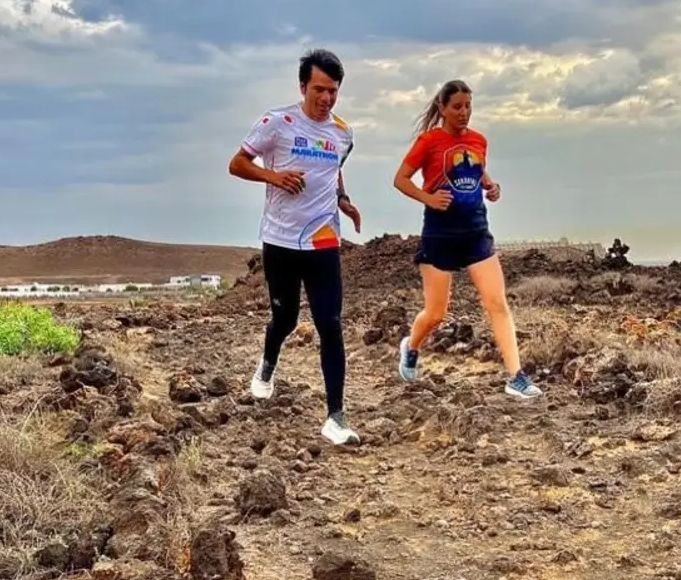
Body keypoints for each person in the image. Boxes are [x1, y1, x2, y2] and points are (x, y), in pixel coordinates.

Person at [227, 48, 363, 445]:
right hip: (281, 240)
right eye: (319, 89)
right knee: (285, 319)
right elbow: (237, 163)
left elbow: (333, 172)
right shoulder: (277, 123)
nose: (326, 98)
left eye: (333, 91)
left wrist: (344, 200)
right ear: (303, 85)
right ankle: (267, 366)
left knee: (330, 324)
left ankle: (335, 417)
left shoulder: (342, 133)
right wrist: (275, 176)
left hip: (323, 239)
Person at [391, 79, 542, 399]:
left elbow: (476, 171)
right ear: (443, 108)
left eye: (468, 106)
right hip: (440, 234)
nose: (464, 113)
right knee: (436, 314)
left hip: (476, 232)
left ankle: (516, 376)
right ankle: (411, 346)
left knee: (497, 303)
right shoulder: (429, 141)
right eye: (457, 107)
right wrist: (428, 199)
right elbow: (400, 179)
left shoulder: (479, 140)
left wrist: (492, 186)